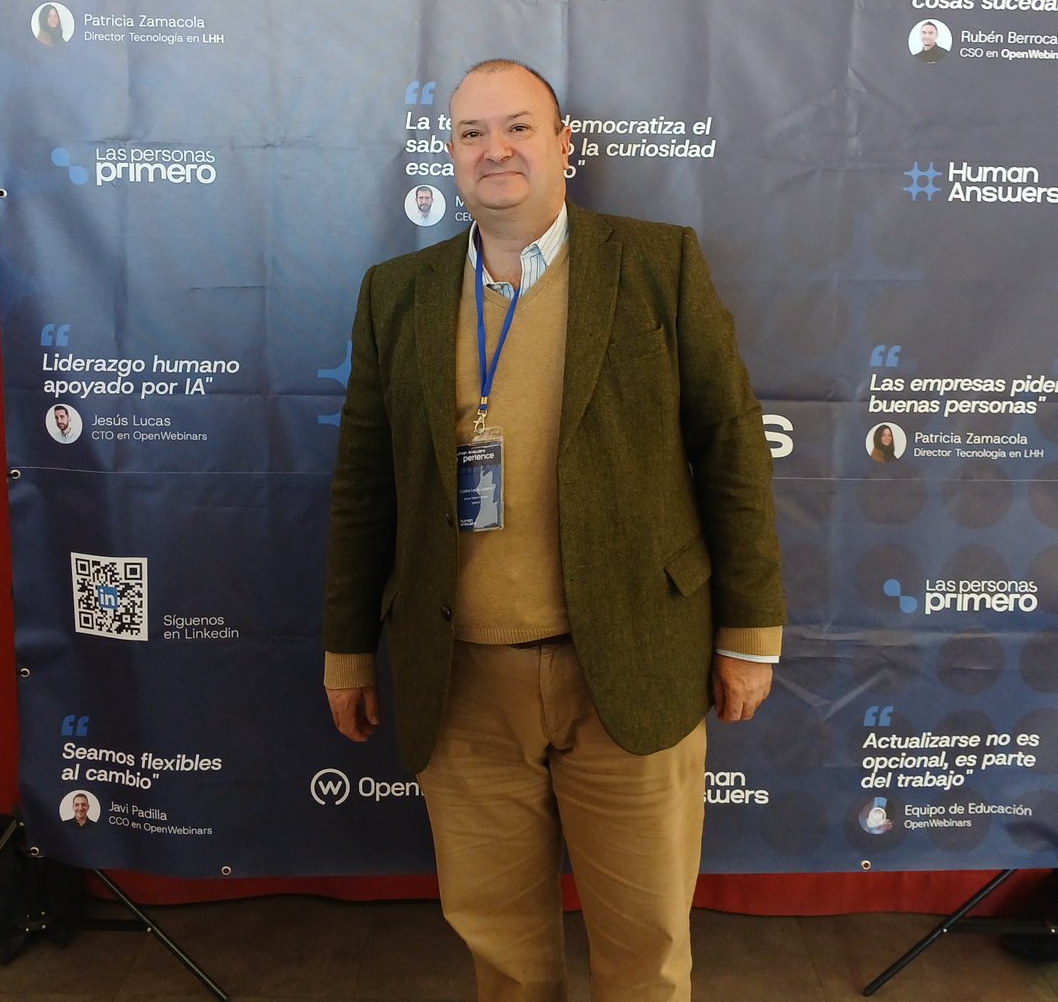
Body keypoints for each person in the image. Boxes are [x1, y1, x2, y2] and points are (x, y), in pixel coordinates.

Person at [323, 59, 785, 1002]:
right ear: (450, 153)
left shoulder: (657, 265)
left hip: (632, 664)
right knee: (501, 953)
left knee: (646, 949)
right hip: (462, 684)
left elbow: (732, 449)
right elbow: (364, 487)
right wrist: (346, 650)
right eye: (471, 133)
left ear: (564, 145)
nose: (495, 149)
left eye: (519, 127)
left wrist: (750, 632)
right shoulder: (396, 294)